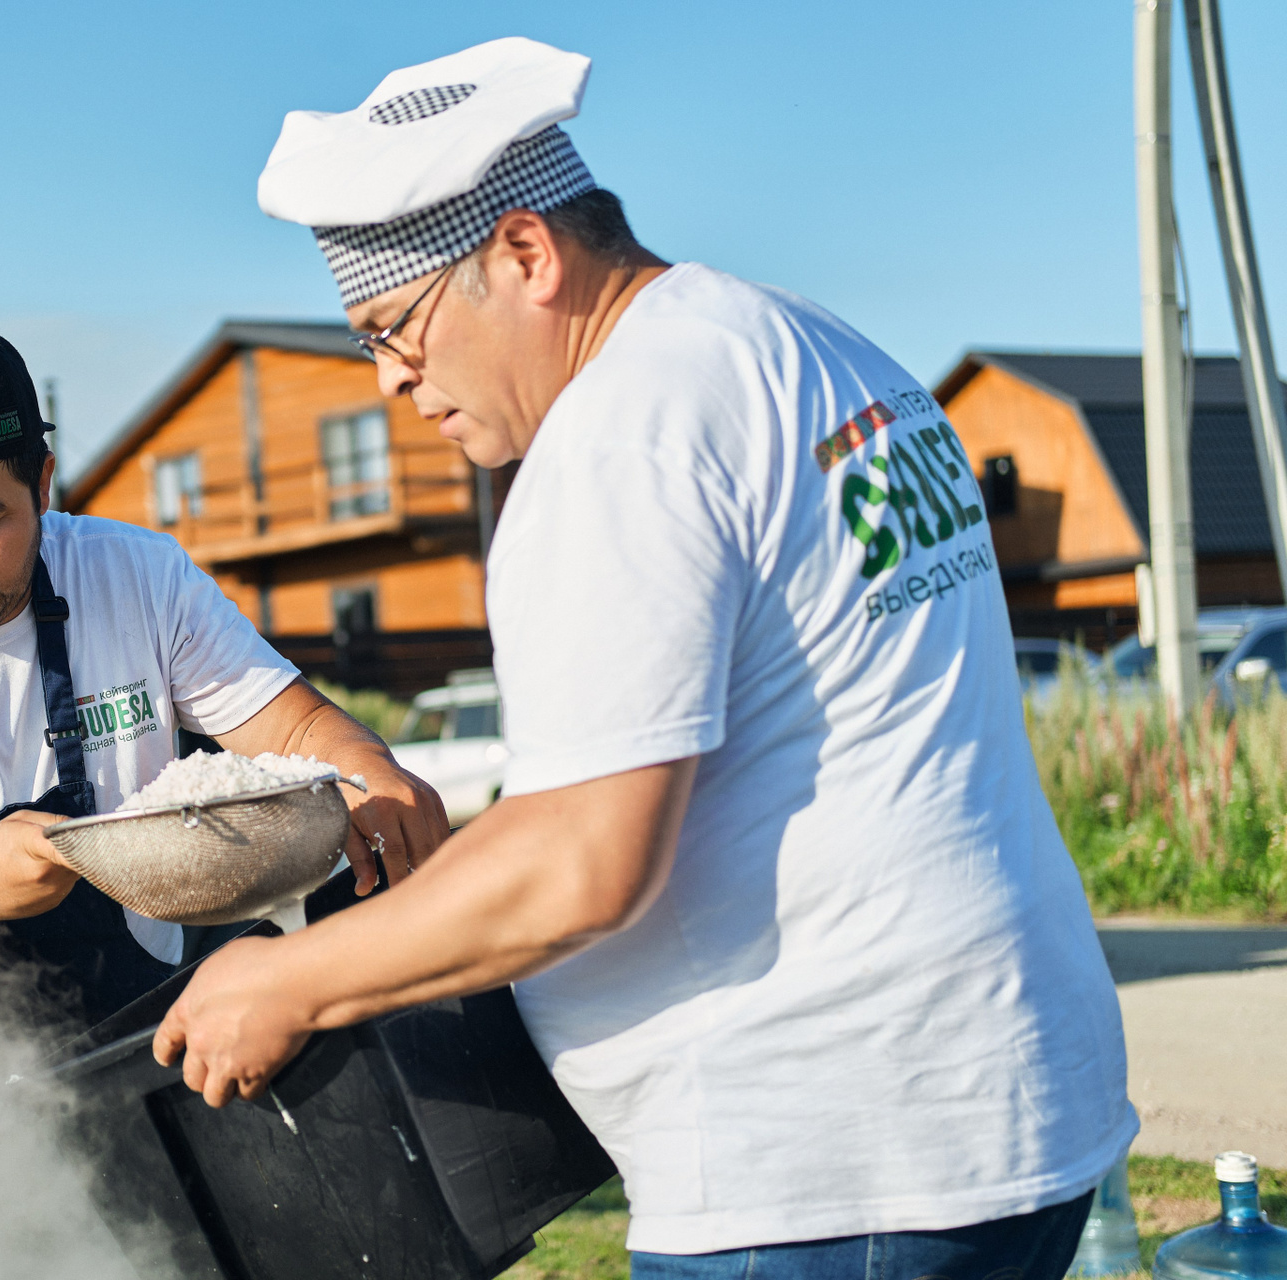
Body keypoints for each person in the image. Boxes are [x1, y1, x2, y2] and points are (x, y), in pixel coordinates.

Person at [154, 36, 1135, 1280]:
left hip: (826, 1170)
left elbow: (585, 860)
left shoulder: (619, 441)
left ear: (525, 253)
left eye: (395, 328)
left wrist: (291, 980)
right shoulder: (804, 345)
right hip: (998, 1102)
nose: (394, 378)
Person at [0, 321, 446, 1277]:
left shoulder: (137, 578)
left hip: (121, 1072)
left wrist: (372, 770)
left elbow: (301, 730)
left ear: (43, 482)